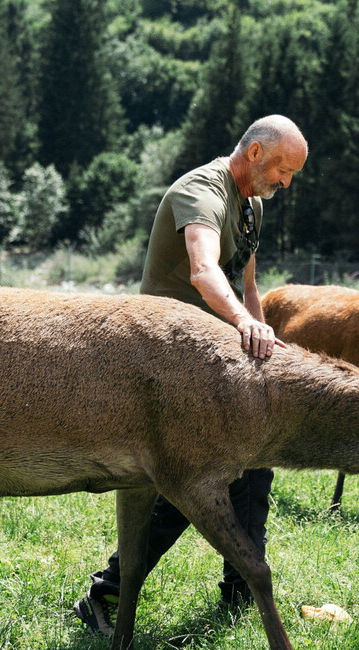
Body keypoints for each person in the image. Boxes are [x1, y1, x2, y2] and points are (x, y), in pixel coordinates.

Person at [73, 115, 307, 636]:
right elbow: (204, 270)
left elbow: (246, 281)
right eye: (283, 169)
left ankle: (239, 590)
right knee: (199, 478)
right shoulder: (200, 192)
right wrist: (245, 325)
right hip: (158, 362)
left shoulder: (253, 206)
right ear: (254, 153)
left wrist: (261, 342)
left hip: (208, 358)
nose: (286, 183)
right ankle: (107, 591)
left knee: (253, 460)